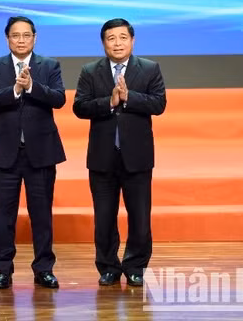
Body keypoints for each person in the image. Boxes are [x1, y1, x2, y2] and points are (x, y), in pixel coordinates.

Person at [72, 18, 166, 288]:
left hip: (137, 157)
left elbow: (159, 104)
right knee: (104, 217)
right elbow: (80, 107)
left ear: (132, 41)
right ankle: (108, 267)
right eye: (111, 38)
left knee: (139, 216)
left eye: (123, 37)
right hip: (103, 157)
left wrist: (129, 97)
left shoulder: (149, 69)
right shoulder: (91, 71)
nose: (117, 43)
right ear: (104, 43)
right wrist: (109, 102)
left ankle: (136, 266)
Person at [0, 16, 66, 290]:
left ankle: (44, 269)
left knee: (41, 215)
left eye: (26, 35)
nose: (20, 40)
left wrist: (31, 87)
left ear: (34, 38)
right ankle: (2, 270)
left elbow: (59, 98)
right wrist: (15, 90)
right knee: (4, 215)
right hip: (5, 152)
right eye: (15, 35)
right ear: (7, 39)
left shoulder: (49, 65)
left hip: (40, 153)